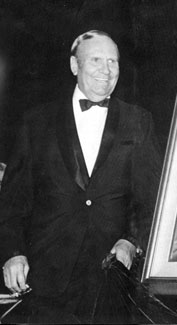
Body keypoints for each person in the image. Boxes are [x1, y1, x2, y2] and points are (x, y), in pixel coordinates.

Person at [0, 30, 161, 323]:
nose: (107, 69)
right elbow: (12, 202)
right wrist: (13, 253)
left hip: (112, 283)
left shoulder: (140, 121)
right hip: (46, 282)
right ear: (75, 65)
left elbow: (149, 199)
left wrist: (131, 241)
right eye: (97, 59)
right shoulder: (36, 123)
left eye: (113, 61)